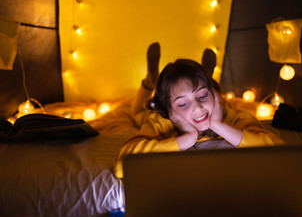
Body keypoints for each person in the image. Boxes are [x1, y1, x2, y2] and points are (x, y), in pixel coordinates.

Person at [113, 43, 283, 178]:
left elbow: (282, 154)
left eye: (202, 96)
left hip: (217, 103)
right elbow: (122, 165)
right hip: (156, 109)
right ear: (170, 111)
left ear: (216, 96)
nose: (197, 107)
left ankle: (207, 75)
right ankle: (151, 81)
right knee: (137, 114)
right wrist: (187, 139)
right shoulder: (162, 122)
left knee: (200, 88)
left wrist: (218, 125)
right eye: (183, 104)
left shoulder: (230, 115)